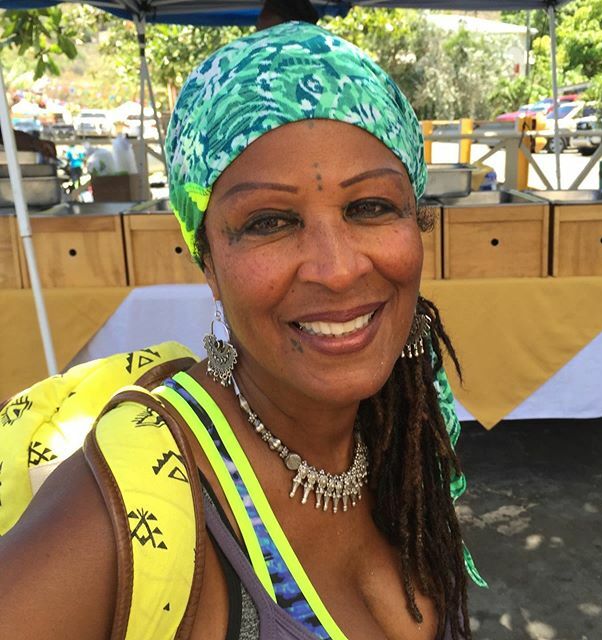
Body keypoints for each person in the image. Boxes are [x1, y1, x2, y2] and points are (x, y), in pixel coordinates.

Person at [0, 22, 483, 640]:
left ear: (417, 223)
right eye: (269, 222)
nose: (337, 270)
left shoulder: (396, 434)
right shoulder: (125, 510)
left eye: (370, 207)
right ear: (208, 263)